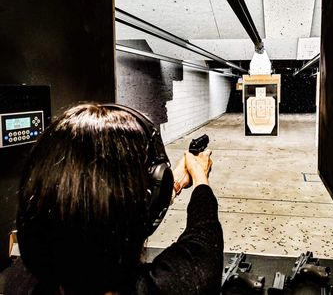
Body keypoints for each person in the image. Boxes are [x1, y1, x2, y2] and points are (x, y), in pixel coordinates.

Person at [3, 103, 223, 295]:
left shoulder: (18, 280)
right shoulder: (167, 287)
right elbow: (204, 245)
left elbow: (92, 203)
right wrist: (200, 177)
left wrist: (171, 186)